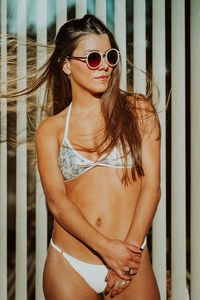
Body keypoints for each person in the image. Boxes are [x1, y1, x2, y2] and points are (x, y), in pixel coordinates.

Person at [35, 14, 161, 299]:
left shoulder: (138, 109)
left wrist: (125, 258)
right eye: (93, 58)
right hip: (69, 264)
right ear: (66, 64)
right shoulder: (51, 130)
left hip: (129, 257)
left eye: (110, 56)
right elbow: (57, 202)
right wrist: (107, 248)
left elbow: (152, 186)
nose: (104, 64)